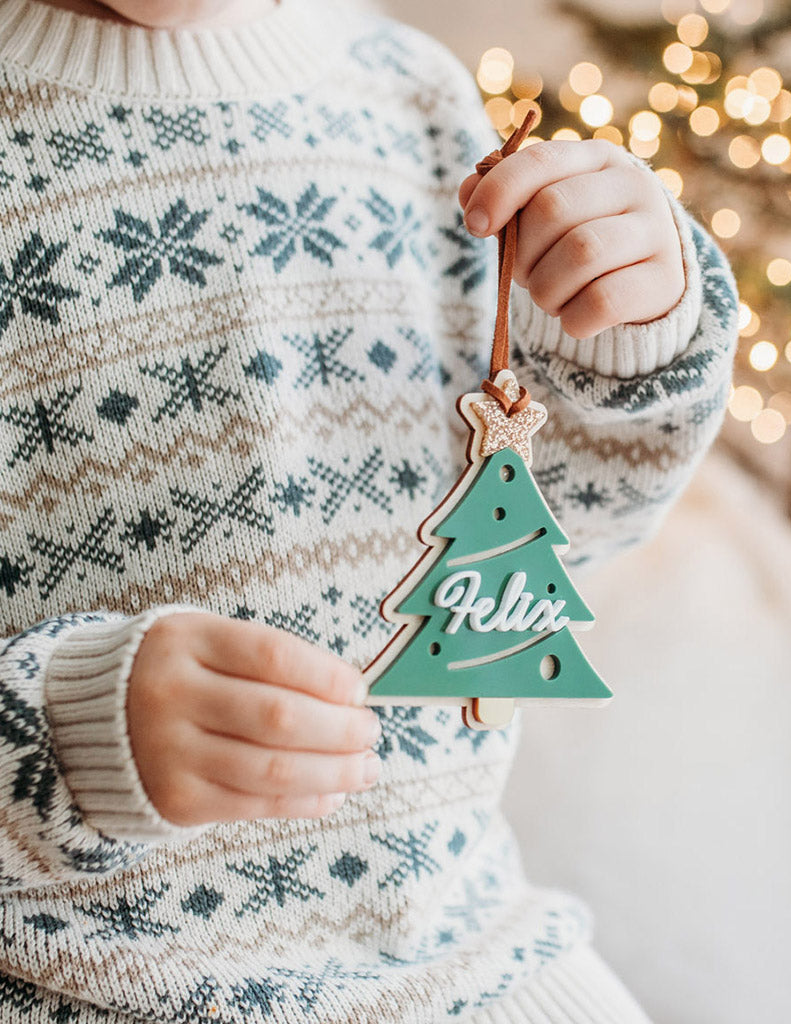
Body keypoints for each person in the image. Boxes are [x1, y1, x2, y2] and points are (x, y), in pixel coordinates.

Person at [0, 0, 737, 1018]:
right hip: (73, 979)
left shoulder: (416, 96)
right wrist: (65, 739)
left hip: (468, 952)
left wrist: (637, 329)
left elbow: (552, 517)